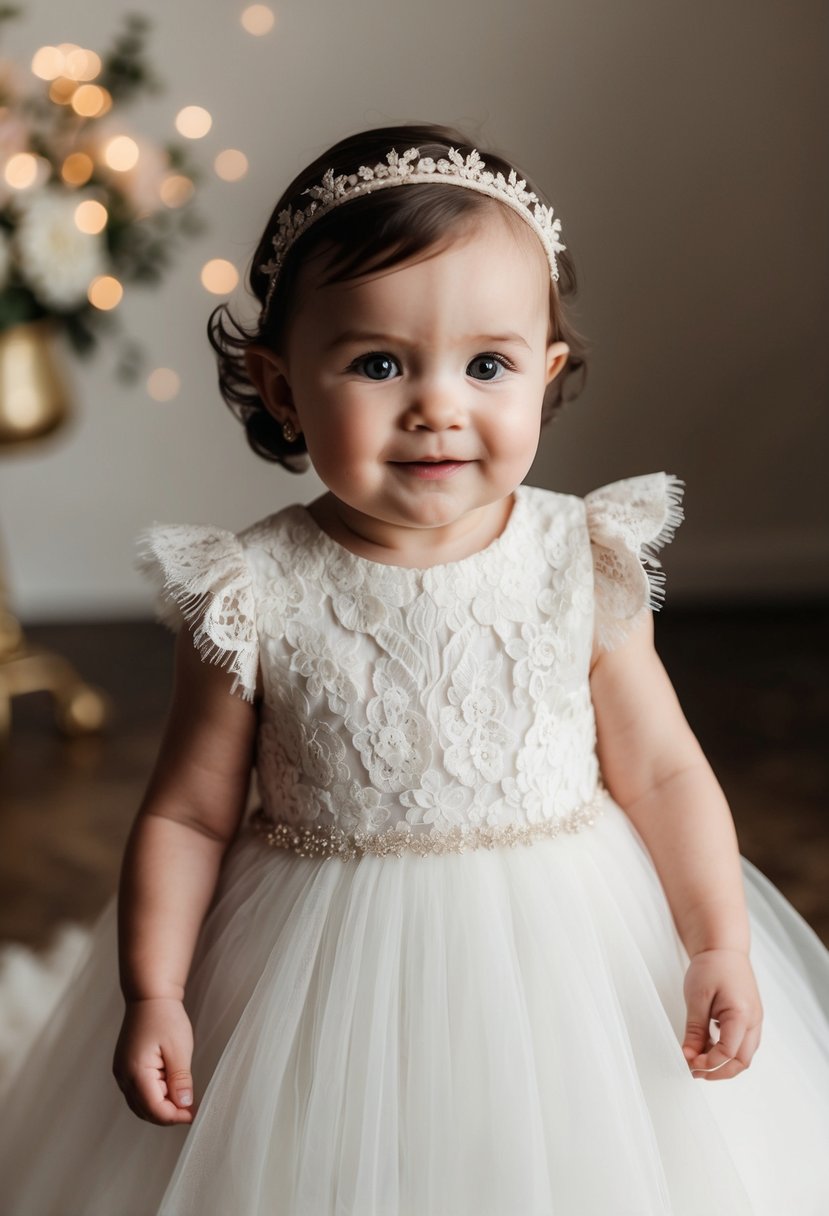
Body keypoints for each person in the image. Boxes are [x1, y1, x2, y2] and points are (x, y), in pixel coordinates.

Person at [1, 122, 828, 1216]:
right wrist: (155, 989)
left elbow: (664, 771)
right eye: (378, 363)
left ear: (546, 371)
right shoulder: (255, 585)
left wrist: (714, 936)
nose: (437, 404)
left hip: (567, 956)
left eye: (486, 364)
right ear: (282, 386)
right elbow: (190, 816)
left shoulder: (578, 557)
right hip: (314, 974)